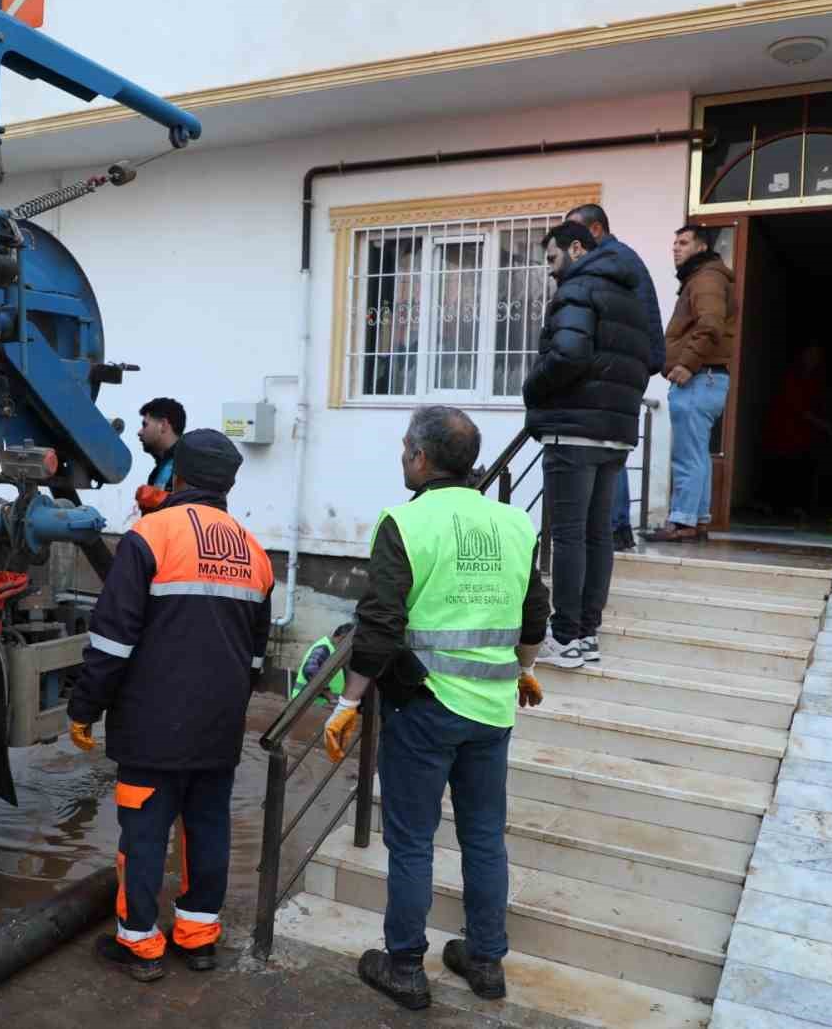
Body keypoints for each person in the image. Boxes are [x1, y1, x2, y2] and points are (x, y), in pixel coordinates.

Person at [322, 406, 550, 1010]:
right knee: (484, 837)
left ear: (421, 458)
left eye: (406, 449)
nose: (404, 458)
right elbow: (534, 614)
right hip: (492, 709)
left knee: (412, 841)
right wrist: (525, 669)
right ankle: (486, 961)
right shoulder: (514, 522)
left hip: (423, 707)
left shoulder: (405, 521)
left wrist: (347, 702)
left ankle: (404, 967)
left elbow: (379, 625)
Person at [67, 429, 275, 983]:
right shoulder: (254, 552)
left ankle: (139, 943)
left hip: (151, 726)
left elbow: (112, 642)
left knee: (143, 833)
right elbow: (256, 658)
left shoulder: (149, 536)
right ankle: (199, 938)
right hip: (218, 728)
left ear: (177, 475)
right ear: (229, 484)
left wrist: (85, 707)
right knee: (208, 829)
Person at [523, 220, 651, 669]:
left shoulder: (577, 290)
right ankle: (586, 636)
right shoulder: (629, 295)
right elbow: (647, 359)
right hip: (614, 434)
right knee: (597, 536)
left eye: (553, 258)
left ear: (576, 248)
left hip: (574, 430)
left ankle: (564, 637)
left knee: (568, 535)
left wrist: (532, 387)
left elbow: (568, 354)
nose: (551, 269)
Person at [564, 204, 666, 551]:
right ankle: (613, 527)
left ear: (595, 229)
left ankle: (614, 525)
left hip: (616, 369)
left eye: (574, 231)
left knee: (606, 446)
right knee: (610, 447)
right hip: (624, 367)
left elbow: (615, 318)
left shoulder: (611, 260)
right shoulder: (620, 258)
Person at [644, 225, 737, 543]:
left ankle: (682, 521)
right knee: (697, 454)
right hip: (706, 378)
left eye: (683, 242)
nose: (676, 248)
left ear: (701, 247)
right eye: (674, 242)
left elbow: (710, 325)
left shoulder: (706, 278)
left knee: (687, 455)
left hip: (699, 378)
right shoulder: (704, 277)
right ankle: (695, 520)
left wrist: (687, 363)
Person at [756, 344, 828, 520]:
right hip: (784, 428)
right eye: (811, 354)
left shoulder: (816, 378)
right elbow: (796, 405)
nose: (813, 358)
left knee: (800, 468)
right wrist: (819, 422)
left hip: (803, 433)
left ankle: (796, 506)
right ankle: (771, 504)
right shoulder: (793, 376)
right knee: (780, 466)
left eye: (817, 355)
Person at [133, 397, 186, 516]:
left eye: (145, 425)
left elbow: (191, 510)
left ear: (163, 425)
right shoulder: (160, 469)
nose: (139, 432)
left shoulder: (188, 464)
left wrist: (156, 499)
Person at [289, 622, 355, 704]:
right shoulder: (324, 648)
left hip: (318, 704)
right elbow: (310, 670)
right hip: (309, 704)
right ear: (343, 637)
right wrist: (329, 695)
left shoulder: (335, 651)